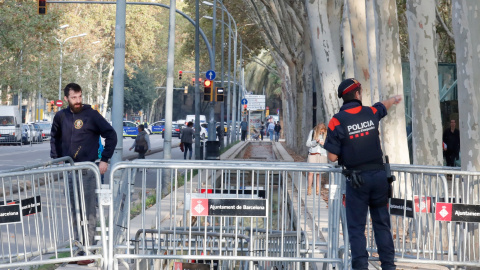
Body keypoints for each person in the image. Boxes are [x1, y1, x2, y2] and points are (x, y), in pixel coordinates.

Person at [323, 78, 401, 270]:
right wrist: (394, 99)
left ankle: (360, 266)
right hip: (379, 177)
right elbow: (382, 106)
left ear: (344, 98)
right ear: (357, 94)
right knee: (382, 224)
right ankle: (389, 266)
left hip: (357, 181)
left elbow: (332, 157)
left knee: (357, 228)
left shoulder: (336, 121)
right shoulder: (370, 112)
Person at [50, 83, 117, 265]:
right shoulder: (60, 116)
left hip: (88, 170)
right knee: (75, 211)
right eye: (74, 98)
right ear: (66, 99)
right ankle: (79, 249)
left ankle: (89, 251)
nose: (78, 101)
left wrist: (105, 159)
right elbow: (54, 139)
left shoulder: (92, 115)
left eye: (79, 97)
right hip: (70, 170)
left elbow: (111, 135)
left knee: (88, 212)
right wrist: (57, 161)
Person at [305, 123, 327, 195]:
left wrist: (324, 144)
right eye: (320, 131)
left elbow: (329, 145)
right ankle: (309, 189)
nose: (321, 133)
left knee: (319, 173)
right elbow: (307, 144)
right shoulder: (312, 132)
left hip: (322, 155)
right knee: (310, 173)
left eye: (322, 132)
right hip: (312, 155)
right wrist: (315, 142)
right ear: (318, 129)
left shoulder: (326, 134)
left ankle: (318, 190)